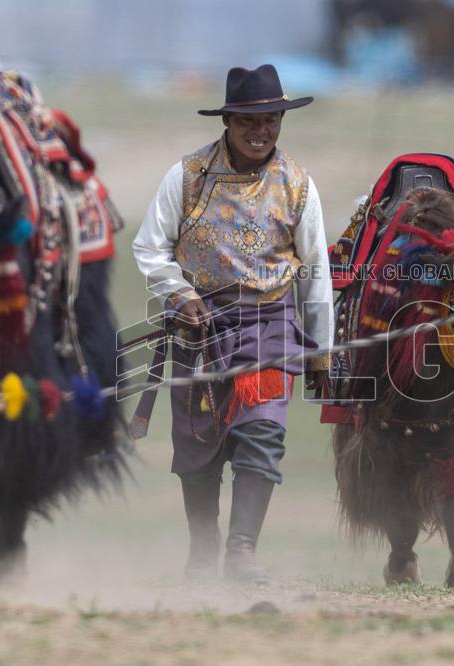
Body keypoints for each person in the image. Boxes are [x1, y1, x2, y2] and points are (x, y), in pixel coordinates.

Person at [132, 65, 333, 582]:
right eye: (249, 121)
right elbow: (150, 247)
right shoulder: (187, 176)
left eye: (271, 120)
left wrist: (321, 354)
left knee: (263, 432)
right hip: (199, 330)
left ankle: (242, 551)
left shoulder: (297, 185)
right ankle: (203, 550)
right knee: (197, 446)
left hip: (269, 326)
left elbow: (315, 271)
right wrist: (179, 294)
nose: (261, 131)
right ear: (227, 120)